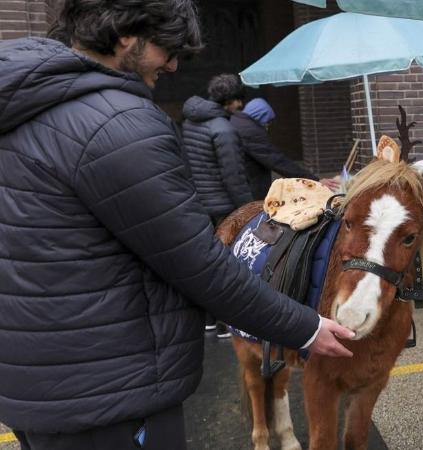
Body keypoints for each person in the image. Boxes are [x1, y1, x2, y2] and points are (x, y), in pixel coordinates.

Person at [0, 1, 354, 449]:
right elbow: (199, 266)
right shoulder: (117, 121)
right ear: (126, 35)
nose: (172, 63)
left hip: (35, 381)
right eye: (168, 48)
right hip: (112, 387)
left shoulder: (26, 102)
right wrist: (305, 327)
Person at [231, 97, 339, 199]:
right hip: (249, 189)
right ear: (260, 116)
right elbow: (277, 161)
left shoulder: (237, 122)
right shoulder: (250, 131)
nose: (267, 126)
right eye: (267, 122)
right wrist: (315, 180)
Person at [181, 74, 252, 224]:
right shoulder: (224, 130)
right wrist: (249, 210)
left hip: (198, 202)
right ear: (227, 101)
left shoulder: (189, 121)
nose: (240, 105)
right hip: (223, 207)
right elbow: (234, 176)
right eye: (238, 100)